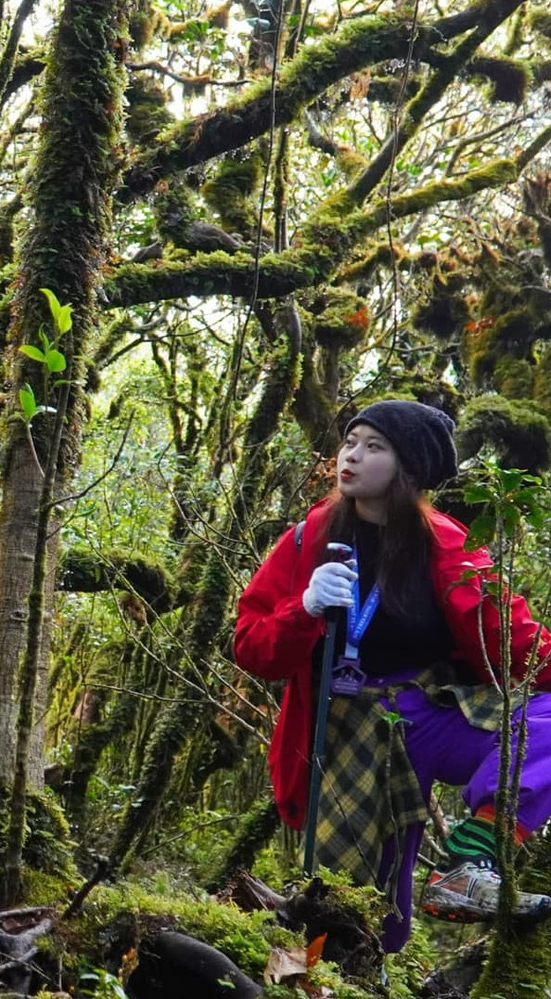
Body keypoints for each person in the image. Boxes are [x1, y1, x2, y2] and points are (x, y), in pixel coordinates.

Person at [234, 400, 551, 951]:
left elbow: (513, 642)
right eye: (350, 441)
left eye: (373, 446)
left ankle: (473, 858)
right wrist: (304, 608)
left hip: (431, 715)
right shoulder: (310, 537)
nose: (351, 456)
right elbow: (251, 646)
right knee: (373, 918)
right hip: (344, 733)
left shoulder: (446, 542)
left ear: (408, 468)